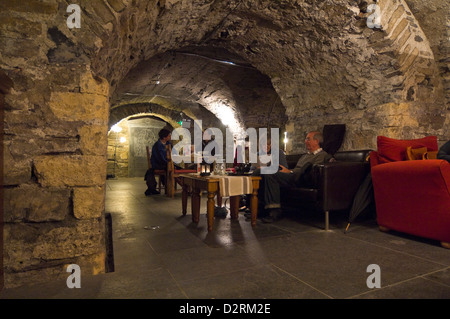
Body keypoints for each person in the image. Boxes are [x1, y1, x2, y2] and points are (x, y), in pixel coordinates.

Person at [253, 131, 333, 223]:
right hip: (292, 175)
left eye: (308, 139)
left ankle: (275, 211)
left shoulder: (322, 155)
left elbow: (309, 171)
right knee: (259, 172)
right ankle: (258, 207)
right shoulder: (305, 155)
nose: (305, 141)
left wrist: (290, 171)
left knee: (270, 174)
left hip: (301, 178)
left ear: (316, 141)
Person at [144, 128, 173, 196]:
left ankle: (175, 186)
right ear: (164, 137)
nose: (170, 137)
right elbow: (158, 158)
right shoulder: (157, 145)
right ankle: (169, 186)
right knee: (171, 168)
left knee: (177, 168)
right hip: (158, 164)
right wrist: (168, 162)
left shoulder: (169, 144)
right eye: (169, 136)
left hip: (166, 163)